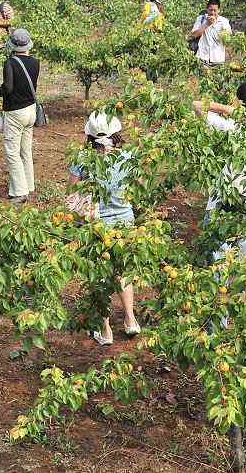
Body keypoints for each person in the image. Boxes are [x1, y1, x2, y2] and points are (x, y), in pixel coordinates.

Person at [68, 111, 141, 346]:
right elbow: (139, 185)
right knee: (122, 271)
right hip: (124, 222)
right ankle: (130, 319)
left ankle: (105, 329)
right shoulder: (127, 156)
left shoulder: (82, 158)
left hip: (95, 225)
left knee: (98, 274)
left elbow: (72, 193)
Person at [192, 81, 246, 259]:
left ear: (240, 103)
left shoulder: (231, 127)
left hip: (223, 194)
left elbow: (196, 105)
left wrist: (230, 110)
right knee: (244, 252)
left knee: (217, 246)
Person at [0, 28, 38, 204]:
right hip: (31, 110)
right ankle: (28, 185)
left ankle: (20, 192)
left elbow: (8, 88)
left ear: (12, 45)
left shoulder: (10, 63)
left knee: (12, 152)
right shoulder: (35, 62)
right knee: (25, 150)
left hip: (16, 113)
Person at [189, 0, 232, 66]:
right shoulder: (201, 19)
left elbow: (228, 38)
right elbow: (193, 35)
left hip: (218, 59)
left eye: (215, 10)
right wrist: (207, 24)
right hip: (202, 58)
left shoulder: (224, 21)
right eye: (210, 10)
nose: (212, 13)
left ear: (219, 10)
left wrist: (224, 35)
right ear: (207, 9)